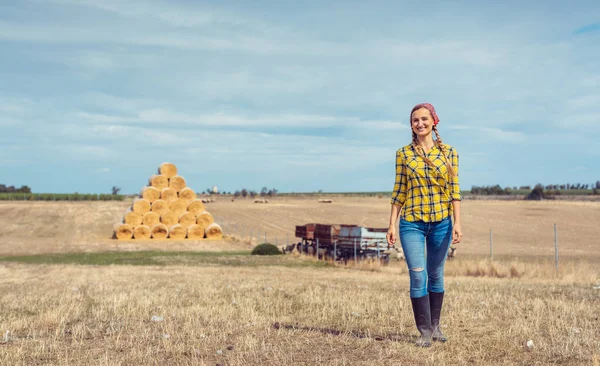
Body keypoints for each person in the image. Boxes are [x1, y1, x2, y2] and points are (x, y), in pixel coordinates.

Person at [386, 102, 463, 347]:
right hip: (412, 224)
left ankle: (435, 326)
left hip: (442, 223)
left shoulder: (450, 153)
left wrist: (458, 222)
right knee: (418, 277)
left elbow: (455, 191)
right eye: (415, 120)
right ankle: (424, 332)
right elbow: (399, 191)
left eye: (424, 119)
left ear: (434, 121)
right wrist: (391, 225)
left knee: (436, 274)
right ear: (411, 125)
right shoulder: (403, 154)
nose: (420, 123)